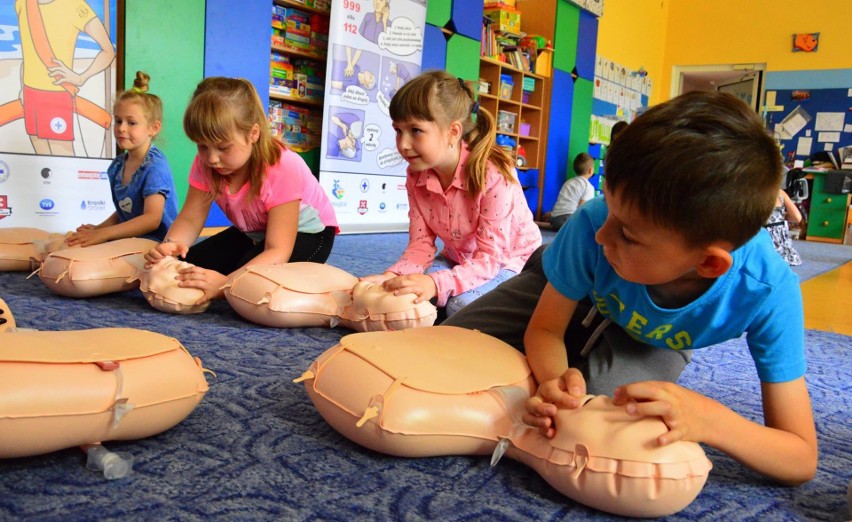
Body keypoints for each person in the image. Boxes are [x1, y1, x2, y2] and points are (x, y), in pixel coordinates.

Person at [445, 91, 817, 485]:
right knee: (447, 347)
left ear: (709, 264)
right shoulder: (595, 225)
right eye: (609, 207)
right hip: (559, 287)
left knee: (602, 423)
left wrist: (710, 421)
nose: (603, 235)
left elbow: (799, 457)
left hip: (653, 340)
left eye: (628, 234)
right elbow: (546, 329)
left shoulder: (767, 292)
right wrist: (554, 380)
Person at [144, 77, 338, 305]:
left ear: (253, 133)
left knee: (249, 285)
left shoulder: (282, 167)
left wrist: (225, 284)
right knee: (191, 267)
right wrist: (171, 245)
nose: (212, 158)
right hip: (256, 232)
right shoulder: (204, 163)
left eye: (224, 147)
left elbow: (278, 250)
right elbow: (189, 218)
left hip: (309, 234)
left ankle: (319, 284)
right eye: (202, 146)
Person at [363, 71, 542, 317]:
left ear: (454, 132)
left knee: (459, 307)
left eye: (415, 130)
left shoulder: (492, 174)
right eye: (398, 130)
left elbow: (490, 258)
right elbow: (420, 244)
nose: (403, 144)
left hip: (509, 262)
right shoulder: (416, 175)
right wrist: (391, 276)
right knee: (404, 294)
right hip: (459, 258)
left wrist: (436, 284)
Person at [66, 71, 177, 246]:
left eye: (131, 123)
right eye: (118, 121)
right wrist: (98, 230)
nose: (121, 128)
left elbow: (151, 219)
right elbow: (125, 210)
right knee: (71, 244)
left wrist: (104, 235)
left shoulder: (154, 166)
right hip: (131, 239)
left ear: (153, 128)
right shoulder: (118, 165)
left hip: (157, 243)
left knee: (85, 259)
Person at [544, 152, 596, 230]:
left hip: (555, 219)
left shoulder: (568, 182)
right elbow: (582, 209)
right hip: (568, 220)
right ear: (590, 170)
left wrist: (553, 214)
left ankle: (545, 223)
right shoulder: (588, 187)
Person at [765, 188, 802, 265]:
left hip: (763, 236)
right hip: (781, 242)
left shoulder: (750, 193)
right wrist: (780, 216)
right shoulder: (780, 192)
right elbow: (797, 217)